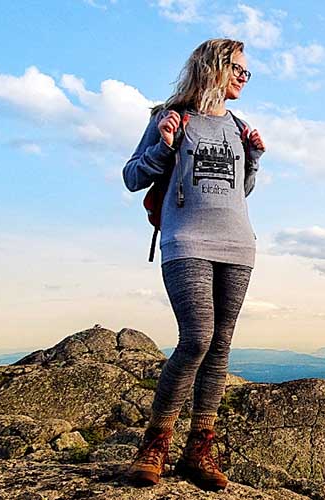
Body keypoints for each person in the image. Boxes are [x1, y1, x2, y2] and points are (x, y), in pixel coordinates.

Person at [121, 38, 265, 491]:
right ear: (215, 68)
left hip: (238, 245)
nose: (244, 78)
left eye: (247, 73)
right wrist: (163, 146)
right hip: (186, 241)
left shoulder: (239, 127)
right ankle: (155, 443)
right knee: (197, 338)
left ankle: (198, 449)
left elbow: (237, 194)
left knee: (220, 345)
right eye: (239, 69)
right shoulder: (171, 116)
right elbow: (132, 176)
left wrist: (254, 159)